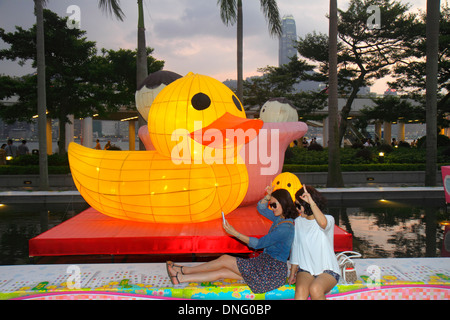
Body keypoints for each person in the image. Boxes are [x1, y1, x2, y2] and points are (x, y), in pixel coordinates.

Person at [166, 187, 298, 294]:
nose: (272, 207)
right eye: (271, 204)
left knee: (225, 260)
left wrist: (234, 233)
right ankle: (181, 276)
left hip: (270, 273)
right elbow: (261, 208)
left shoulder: (285, 228)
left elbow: (258, 244)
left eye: (274, 205)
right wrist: (268, 197)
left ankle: (183, 271)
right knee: (222, 272)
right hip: (266, 267)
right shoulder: (281, 218)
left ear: (284, 203)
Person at [288, 185, 340, 300]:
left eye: (298, 206)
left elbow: (322, 224)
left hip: (328, 269)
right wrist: (292, 273)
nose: (296, 209)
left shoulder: (328, 219)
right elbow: (296, 248)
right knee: (301, 291)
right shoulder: (298, 222)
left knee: (315, 289)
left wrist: (311, 202)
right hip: (306, 269)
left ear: (307, 205)